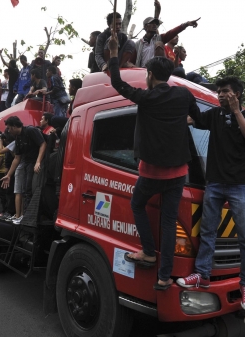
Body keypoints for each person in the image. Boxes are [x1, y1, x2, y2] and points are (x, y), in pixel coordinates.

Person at [107, 31, 197, 291]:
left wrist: (114, 53)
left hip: (151, 173)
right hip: (179, 172)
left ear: (149, 76)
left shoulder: (145, 97)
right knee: (168, 221)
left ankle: (148, 251)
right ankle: (163, 277)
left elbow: (117, 83)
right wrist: (181, 122)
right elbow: (195, 118)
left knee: (138, 205)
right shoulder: (184, 95)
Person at [177, 76, 245, 313]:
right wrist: (185, 94)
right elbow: (194, 118)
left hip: (240, 185)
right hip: (214, 183)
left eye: (225, 92)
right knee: (208, 232)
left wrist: (237, 112)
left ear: (237, 94)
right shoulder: (214, 116)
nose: (220, 95)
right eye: (219, 92)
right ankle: (202, 274)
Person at [1, 116, 46, 224]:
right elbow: (17, 158)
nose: (9, 131)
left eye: (10, 128)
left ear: (15, 126)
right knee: (24, 190)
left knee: (28, 190)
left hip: (33, 162)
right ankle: (22, 216)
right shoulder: (18, 138)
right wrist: (9, 175)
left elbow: (43, 144)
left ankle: (26, 217)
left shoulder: (31, 130)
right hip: (26, 162)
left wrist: (38, 161)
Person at [135, 1, 200, 68]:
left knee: (159, 43)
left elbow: (173, 32)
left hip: (156, 71)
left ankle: (158, 70)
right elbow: (132, 60)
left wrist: (186, 24)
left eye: (156, 23)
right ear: (145, 27)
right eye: (152, 23)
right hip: (141, 71)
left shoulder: (160, 38)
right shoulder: (138, 44)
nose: (154, 25)